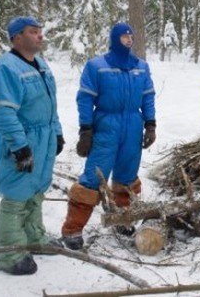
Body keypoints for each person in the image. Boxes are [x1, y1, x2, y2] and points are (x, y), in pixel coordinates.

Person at [60, 23, 156, 250]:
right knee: (94, 176)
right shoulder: (96, 66)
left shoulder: (141, 66)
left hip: (133, 125)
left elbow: (148, 96)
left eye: (131, 36)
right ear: (115, 39)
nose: (129, 40)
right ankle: (72, 229)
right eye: (124, 36)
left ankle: (122, 219)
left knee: (127, 176)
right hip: (106, 125)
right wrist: (86, 129)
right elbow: (85, 99)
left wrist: (150, 124)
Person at [0, 16, 65, 275]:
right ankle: (9, 253)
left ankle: (34, 238)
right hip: (20, 139)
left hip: (43, 139)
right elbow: (4, 113)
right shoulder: (5, 68)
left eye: (40, 31)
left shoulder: (41, 65)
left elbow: (51, 105)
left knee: (35, 191)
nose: (40, 36)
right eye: (33, 32)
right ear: (17, 37)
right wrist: (20, 146)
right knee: (16, 195)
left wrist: (57, 133)